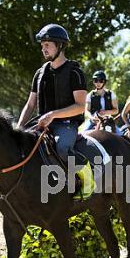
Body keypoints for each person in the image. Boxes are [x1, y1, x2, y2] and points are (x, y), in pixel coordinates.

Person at [17, 23, 87, 162]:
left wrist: (53, 114)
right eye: (42, 46)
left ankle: (86, 177)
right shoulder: (40, 73)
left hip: (66, 125)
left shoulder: (75, 73)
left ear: (60, 45)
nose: (43, 49)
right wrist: (18, 128)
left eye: (47, 45)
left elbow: (80, 106)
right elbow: (30, 105)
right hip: (41, 123)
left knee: (62, 150)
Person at [82, 70, 120, 134]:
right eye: (96, 80)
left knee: (121, 136)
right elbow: (87, 110)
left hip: (108, 120)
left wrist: (106, 112)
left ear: (104, 82)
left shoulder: (111, 94)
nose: (98, 83)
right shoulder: (90, 95)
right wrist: (91, 117)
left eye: (101, 81)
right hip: (94, 120)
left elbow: (116, 110)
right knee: (82, 134)